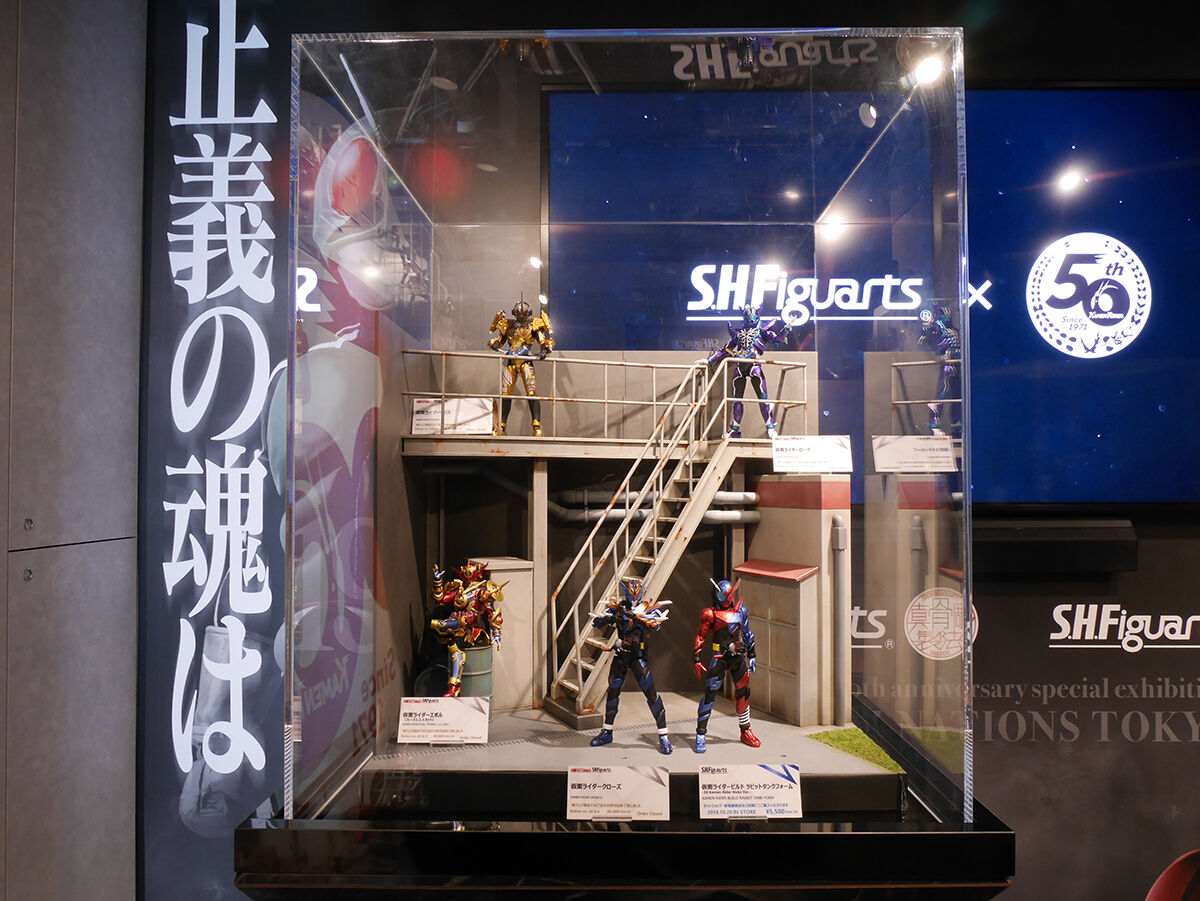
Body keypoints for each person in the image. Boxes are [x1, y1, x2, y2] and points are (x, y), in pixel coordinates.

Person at [589, 578, 673, 755]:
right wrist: (613, 617)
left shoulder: (646, 609)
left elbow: (656, 626)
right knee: (613, 693)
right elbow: (596, 623)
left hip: (638, 657)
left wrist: (636, 617)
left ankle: (663, 735)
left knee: (651, 695)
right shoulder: (619, 607)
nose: (634, 596)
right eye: (631, 593)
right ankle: (607, 731)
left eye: (637, 592)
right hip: (621, 655)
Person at [706, 304, 795, 438]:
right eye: (748, 317)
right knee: (736, 399)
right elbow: (725, 350)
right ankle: (735, 430)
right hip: (740, 366)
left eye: (753, 317)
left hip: (754, 365)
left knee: (762, 398)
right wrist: (709, 360)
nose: (751, 319)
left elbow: (777, 339)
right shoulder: (739, 333)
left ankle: (770, 428)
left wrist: (787, 328)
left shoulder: (763, 330)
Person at [693, 578, 759, 752]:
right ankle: (700, 733)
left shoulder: (741, 612)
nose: (727, 598)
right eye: (723, 595)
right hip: (720, 657)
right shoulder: (710, 614)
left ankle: (745, 730)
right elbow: (701, 636)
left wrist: (752, 655)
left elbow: (747, 634)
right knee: (709, 695)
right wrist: (696, 657)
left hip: (737, 658)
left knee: (743, 694)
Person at [429, 562, 504, 697]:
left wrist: (497, 633)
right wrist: (437, 581)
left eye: (470, 572)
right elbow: (441, 598)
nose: (467, 574)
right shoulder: (460, 588)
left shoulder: (480, 591)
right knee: (451, 645)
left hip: (469, 630)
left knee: (455, 648)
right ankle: (454, 687)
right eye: (466, 571)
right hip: (454, 626)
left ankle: (454, 687)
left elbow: (492, 613)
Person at [488, 298, 554, 436]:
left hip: (526, 361)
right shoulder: (508, 325)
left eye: (524, 314)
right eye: (519, 314)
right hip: (511, 362)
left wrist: (544, 350)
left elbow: (543, 341)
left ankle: (536, 426)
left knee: (531, 394)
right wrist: (495, 344)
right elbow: (500, 341)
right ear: (515, 313)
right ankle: (502, 426)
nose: (521, 316)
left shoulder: (533, 324)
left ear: (528, 313)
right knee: (506, 395)